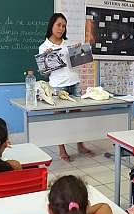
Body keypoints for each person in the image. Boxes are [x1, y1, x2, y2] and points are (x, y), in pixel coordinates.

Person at [39, 13, 93, 161]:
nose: (61, 28)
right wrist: (47, 57)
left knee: (78, 116)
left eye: (64, 26)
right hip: (57, 86)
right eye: (58, 25)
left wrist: (78, 52)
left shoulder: (68, 44)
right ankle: (62, 149)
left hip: (74, 82)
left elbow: (78, 62)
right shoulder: (43, 47)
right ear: (52, 25)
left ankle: (80, 145)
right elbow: (45, 74)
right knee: (60, 119)